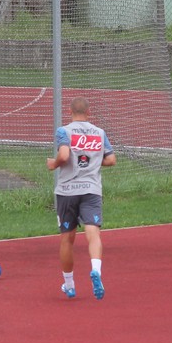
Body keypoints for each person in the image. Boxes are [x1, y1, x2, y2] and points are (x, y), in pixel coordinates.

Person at [46, 96, 116, 300]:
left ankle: (69, 285)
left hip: (67, 191)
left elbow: (64, 155)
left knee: (67, 239)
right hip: (91, 190)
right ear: (88, 112)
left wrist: (53, 164)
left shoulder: (64, 131)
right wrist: (93, 162)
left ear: (70, 111)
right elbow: (111, 159)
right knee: (93, 233)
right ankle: (96, 270)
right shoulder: (99, 132)